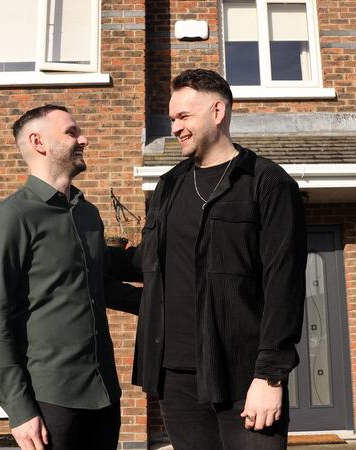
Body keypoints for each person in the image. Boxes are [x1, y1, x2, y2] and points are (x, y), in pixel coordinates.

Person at [130, 69, 307, 449]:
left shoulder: (267, 182)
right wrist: (83, 254)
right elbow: (151, 263)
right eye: (172, 118)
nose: (175, 127)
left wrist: (270, 377)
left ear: (217, 111)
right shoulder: (169, 186)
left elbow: (284, 284)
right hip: (176, 378)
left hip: (245, 378)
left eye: (184, 117)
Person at [0, 104, 139, 450]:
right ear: (38, 142)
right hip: (50, 399)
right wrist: (19, 410)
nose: (84, 139)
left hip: (104, 393)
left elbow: (101, 286)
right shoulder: (12, 216)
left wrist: (169, 303)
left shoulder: (88, 214)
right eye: (71, 132)